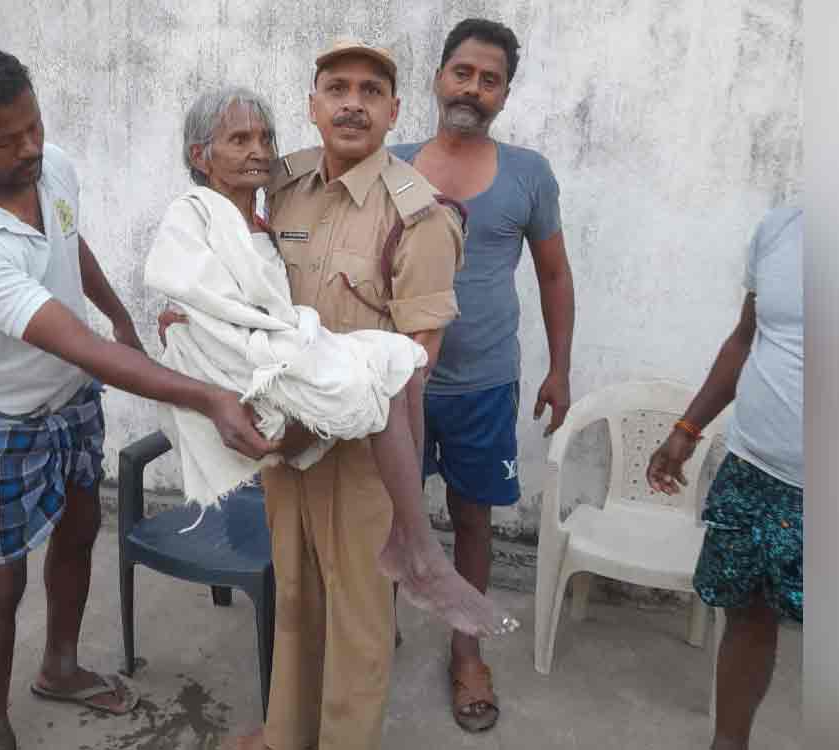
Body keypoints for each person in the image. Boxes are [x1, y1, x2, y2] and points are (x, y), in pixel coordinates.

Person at [0, 42, 277, 750]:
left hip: (70, 399)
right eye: (5, 139)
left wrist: (117, 312)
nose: (30, 147)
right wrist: (207, 396)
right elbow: (72, 342)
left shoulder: (52, 166)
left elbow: (69, 244)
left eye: (35, 125)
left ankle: (61, 665)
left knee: (80, 532)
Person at [147, 86, 518, 638]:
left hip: (277, 352)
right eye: (239, 139)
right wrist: (196, 319)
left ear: (393, 110)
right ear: (201, 156)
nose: (258, 150)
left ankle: (412, 543)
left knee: (400, 360)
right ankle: (417, 550)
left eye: (264, 138)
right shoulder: (198, 211)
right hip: (248, 367)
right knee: (385, 372)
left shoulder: (270, 216)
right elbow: (195, 290)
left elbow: (256, 296)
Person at [213, 38, 467, 750]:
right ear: (313, 103)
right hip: (280, 443)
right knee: (293, 595)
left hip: (361, 456)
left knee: (356, 617)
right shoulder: (283, 186)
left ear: (393, 112)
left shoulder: (419, 216)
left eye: (369, 91)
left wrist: (316, 425)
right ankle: (286, 734)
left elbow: (417, 360)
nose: (352, 103)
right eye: (337, 88)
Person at [388, 18, 575, 732]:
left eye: (488, 78)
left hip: (484, 385)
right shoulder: (390, 163)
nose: (473, 87)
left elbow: (554, 273)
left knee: (472, 517)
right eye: (462, 71)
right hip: (397, 382)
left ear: (503, 93)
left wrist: (560, 369)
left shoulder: (528, 172)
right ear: (438, 76)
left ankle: (466, 650)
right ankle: (376, 633)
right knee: (386, 514)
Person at [646, 206, 803, 750]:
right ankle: (729, 743)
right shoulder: (782, 229)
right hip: (756, 471)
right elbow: (746, 337)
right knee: (748, 614)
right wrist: (688, 427)